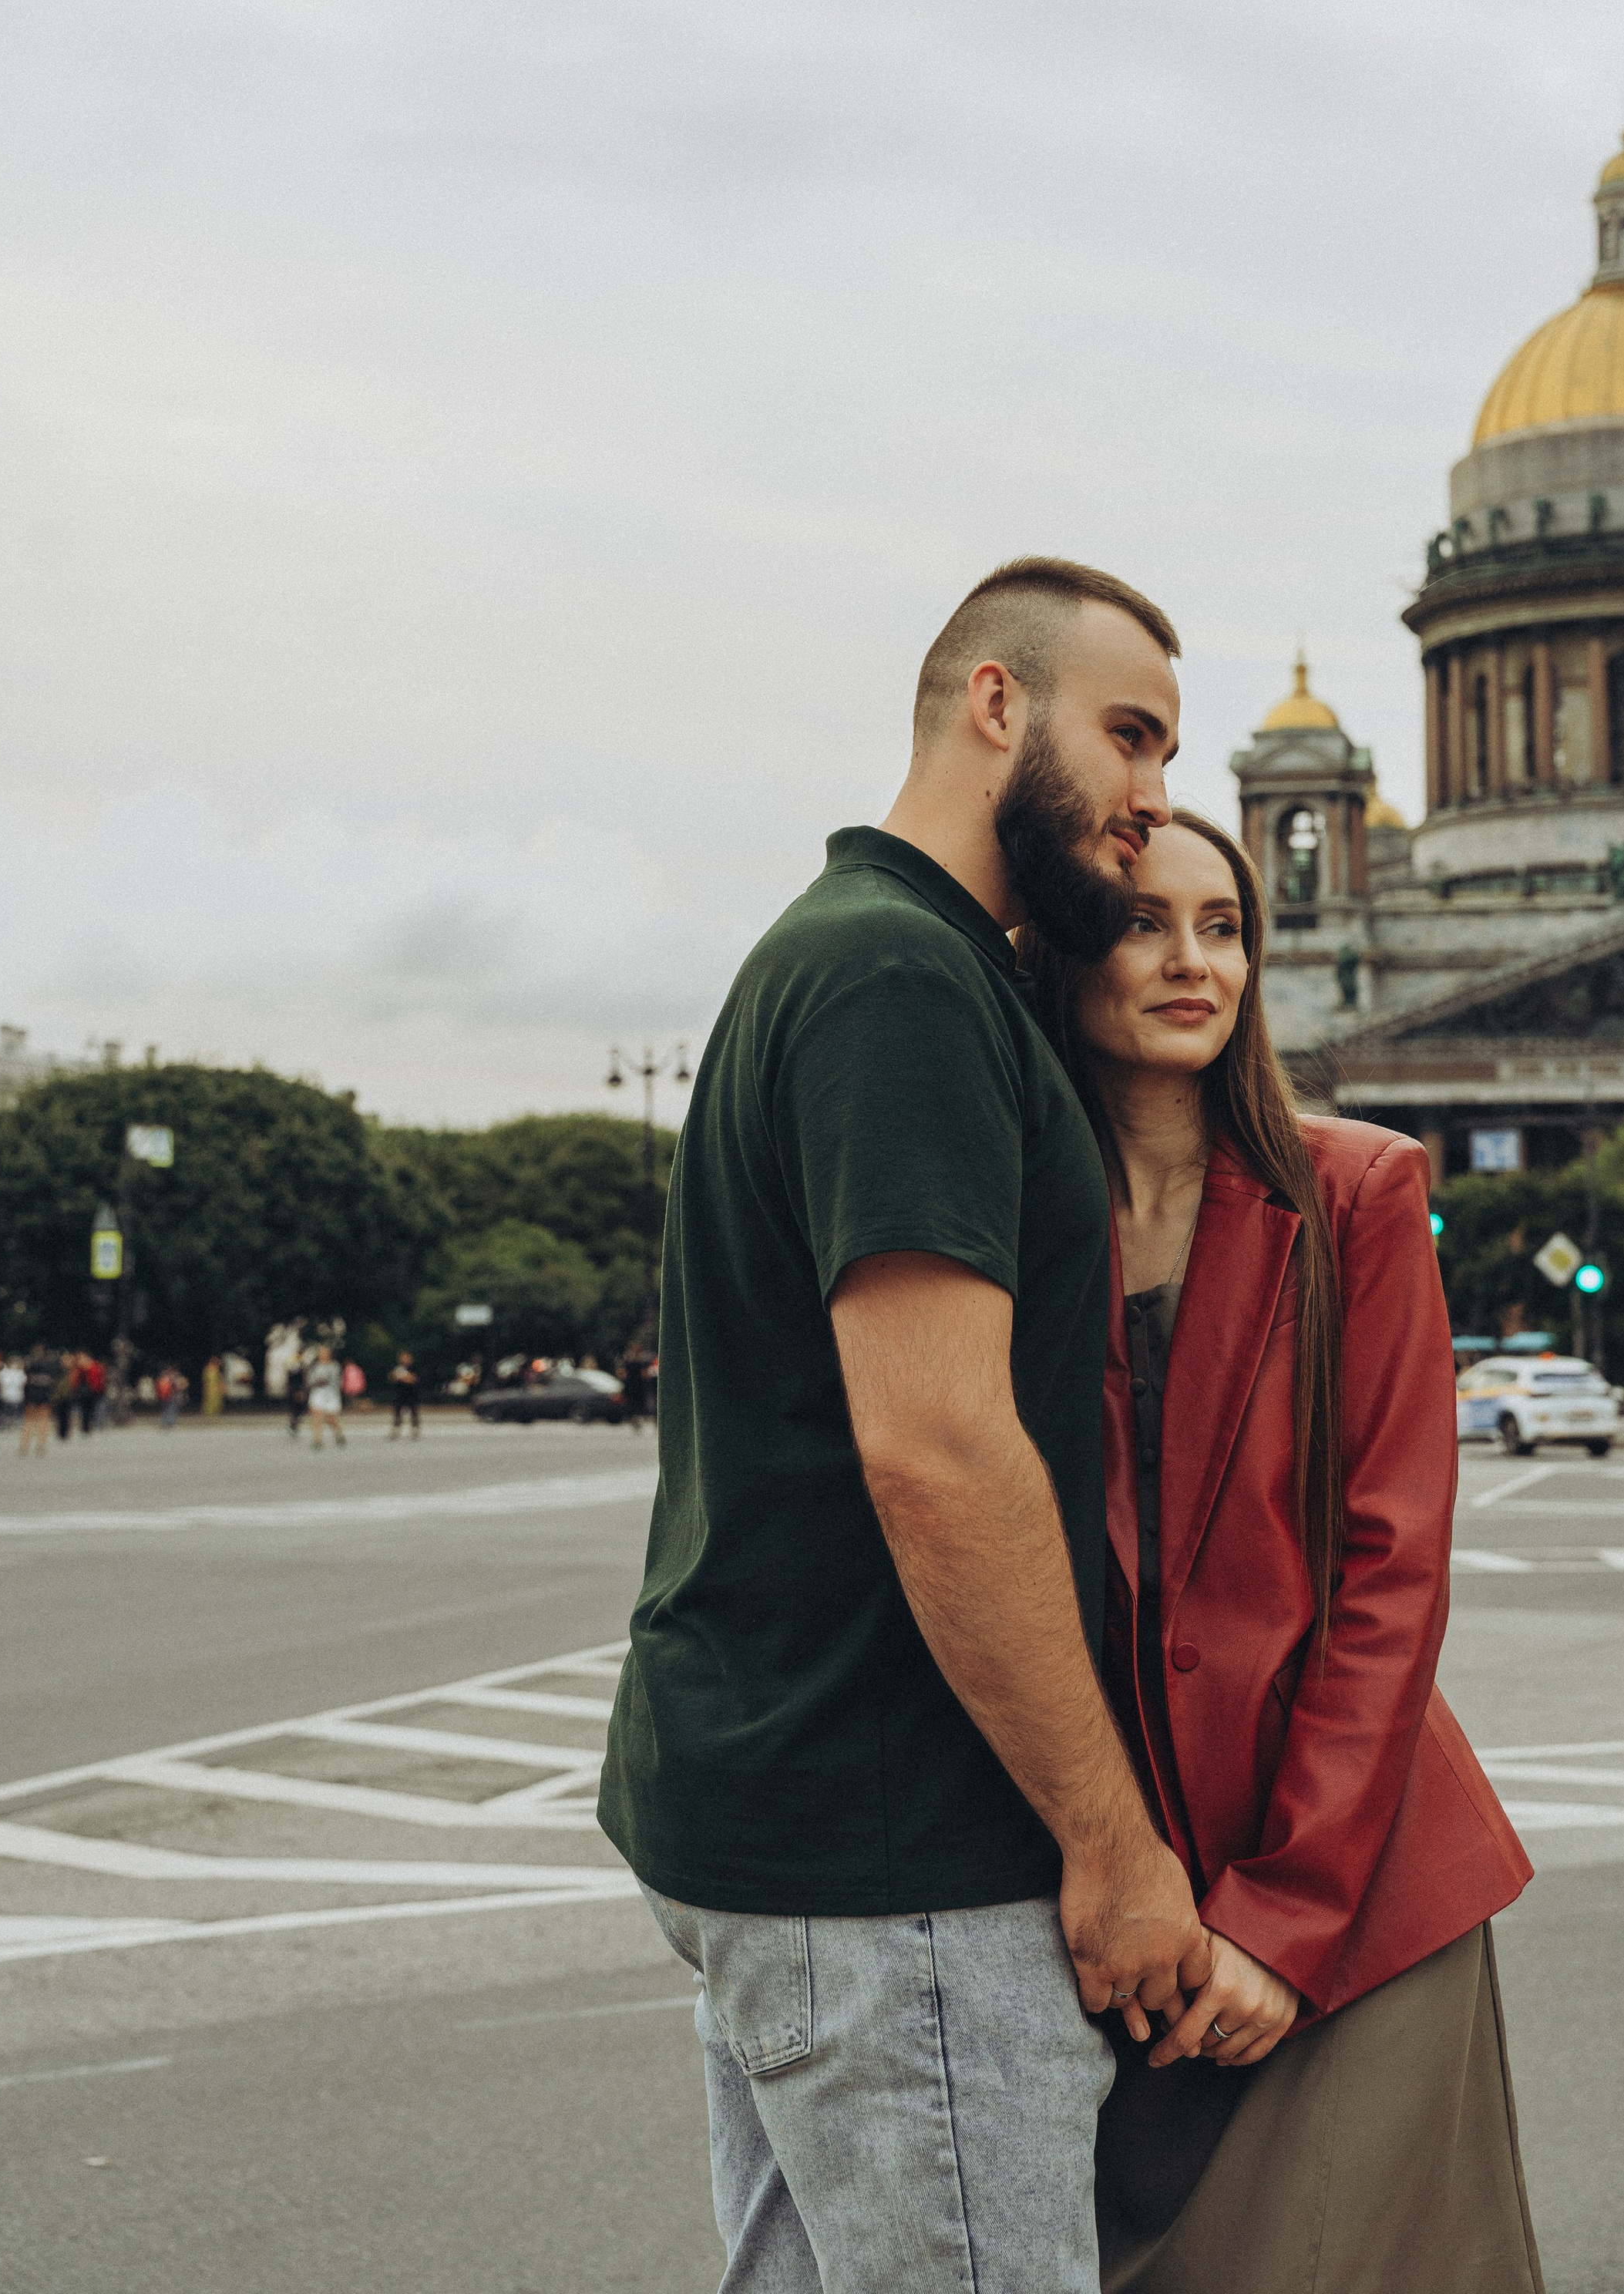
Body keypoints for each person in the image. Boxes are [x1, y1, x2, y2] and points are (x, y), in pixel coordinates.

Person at [600, 558, 1211, 2294]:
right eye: (1130, 735)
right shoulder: (900, 980)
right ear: (995, 706)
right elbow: (937, 1452)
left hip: (808, 1837)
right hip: (901, 1865)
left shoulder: (888, 959)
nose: (1153, 796)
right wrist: (1111, 1845)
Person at [1019, 809, 1541, 2292]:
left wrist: (1290, 1915)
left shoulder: (1355, 1189)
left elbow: (1391, 1572)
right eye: (1142, 923)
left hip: (1352, 1892)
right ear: (1059, 955)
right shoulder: (1009, 1213)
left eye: (1225, 927)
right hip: (1122, 1907)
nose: (1195, 961)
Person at [18, 1346, 56, 1459]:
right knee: (44, 1421)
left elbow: (25, 1382)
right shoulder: (49, 1365)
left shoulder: (30, 1365)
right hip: (44, 1394)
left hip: (32, 1394)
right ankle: (41, 1446)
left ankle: (24, 1445)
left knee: (29, 1421)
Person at [304, 1349, 346, 1448]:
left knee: (331, 1418)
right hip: (317, 1393)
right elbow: (309, 1379)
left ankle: (338, 1434)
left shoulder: (334, 1366)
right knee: (316, 1416)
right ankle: (318, 1440)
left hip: (331, 1394)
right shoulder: (315, 1366)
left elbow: (336, 1381)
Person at [617, 1336, 654, 1434]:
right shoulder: (636, 1362)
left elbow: (622, 1374)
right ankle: (636, 1421)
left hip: (636, 1386)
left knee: (635, 1405)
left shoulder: (634, 1362)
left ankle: (636, 1421)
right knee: (634, 1405)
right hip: (635, 1386)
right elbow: (644, 1374)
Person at [388, 1351, 422, 1439]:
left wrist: (401, 1378)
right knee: (397, 1413)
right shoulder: (398, 1367)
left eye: (406, 1358)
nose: (404, 1360)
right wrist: (403, 1377)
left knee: (414, 1412)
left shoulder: (414, 1368)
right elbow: (392, 1377)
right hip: (399, 1394)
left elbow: (413, 1379)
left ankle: (415, 1430)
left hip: (411, 1394)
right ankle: (396, 1431)